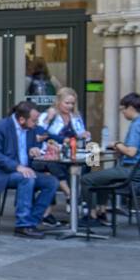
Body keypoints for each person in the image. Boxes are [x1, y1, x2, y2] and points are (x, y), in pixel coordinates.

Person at [0, 100, 58, 238]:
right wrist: (17, 167)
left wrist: (35, 149)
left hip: (24, 170)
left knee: (51, 182)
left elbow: (34, 145)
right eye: (34, 121)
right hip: (1, 173)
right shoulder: (1, 127)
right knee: (26, 178)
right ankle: (22, 226)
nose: (36, 124)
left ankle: (31, 222)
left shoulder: (30, 129)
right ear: (22, 119)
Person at [84, 92, 140, 224]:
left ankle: (92, 216)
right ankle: (102, 213)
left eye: (122, 109)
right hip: (137, 172)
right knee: (103, 179)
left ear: (131, 108)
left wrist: (115, 144)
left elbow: (132, 152)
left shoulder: (137, 125)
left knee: (87, 179)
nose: (122, 113)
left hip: (131, 171)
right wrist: (121, 148)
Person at [34, 87, 87, 215]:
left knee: (89, 163)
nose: (70, 106)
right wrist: (48, 119)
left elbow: (80, 134)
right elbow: (39, 134)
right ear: (58, 102)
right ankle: (71, 195)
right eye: (67, 103)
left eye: (72, 103)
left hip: (70, 153)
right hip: (48, 154)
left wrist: (84, 135)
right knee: (55, 167)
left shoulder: (75, 116)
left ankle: (81, 199)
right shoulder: (48, 115)